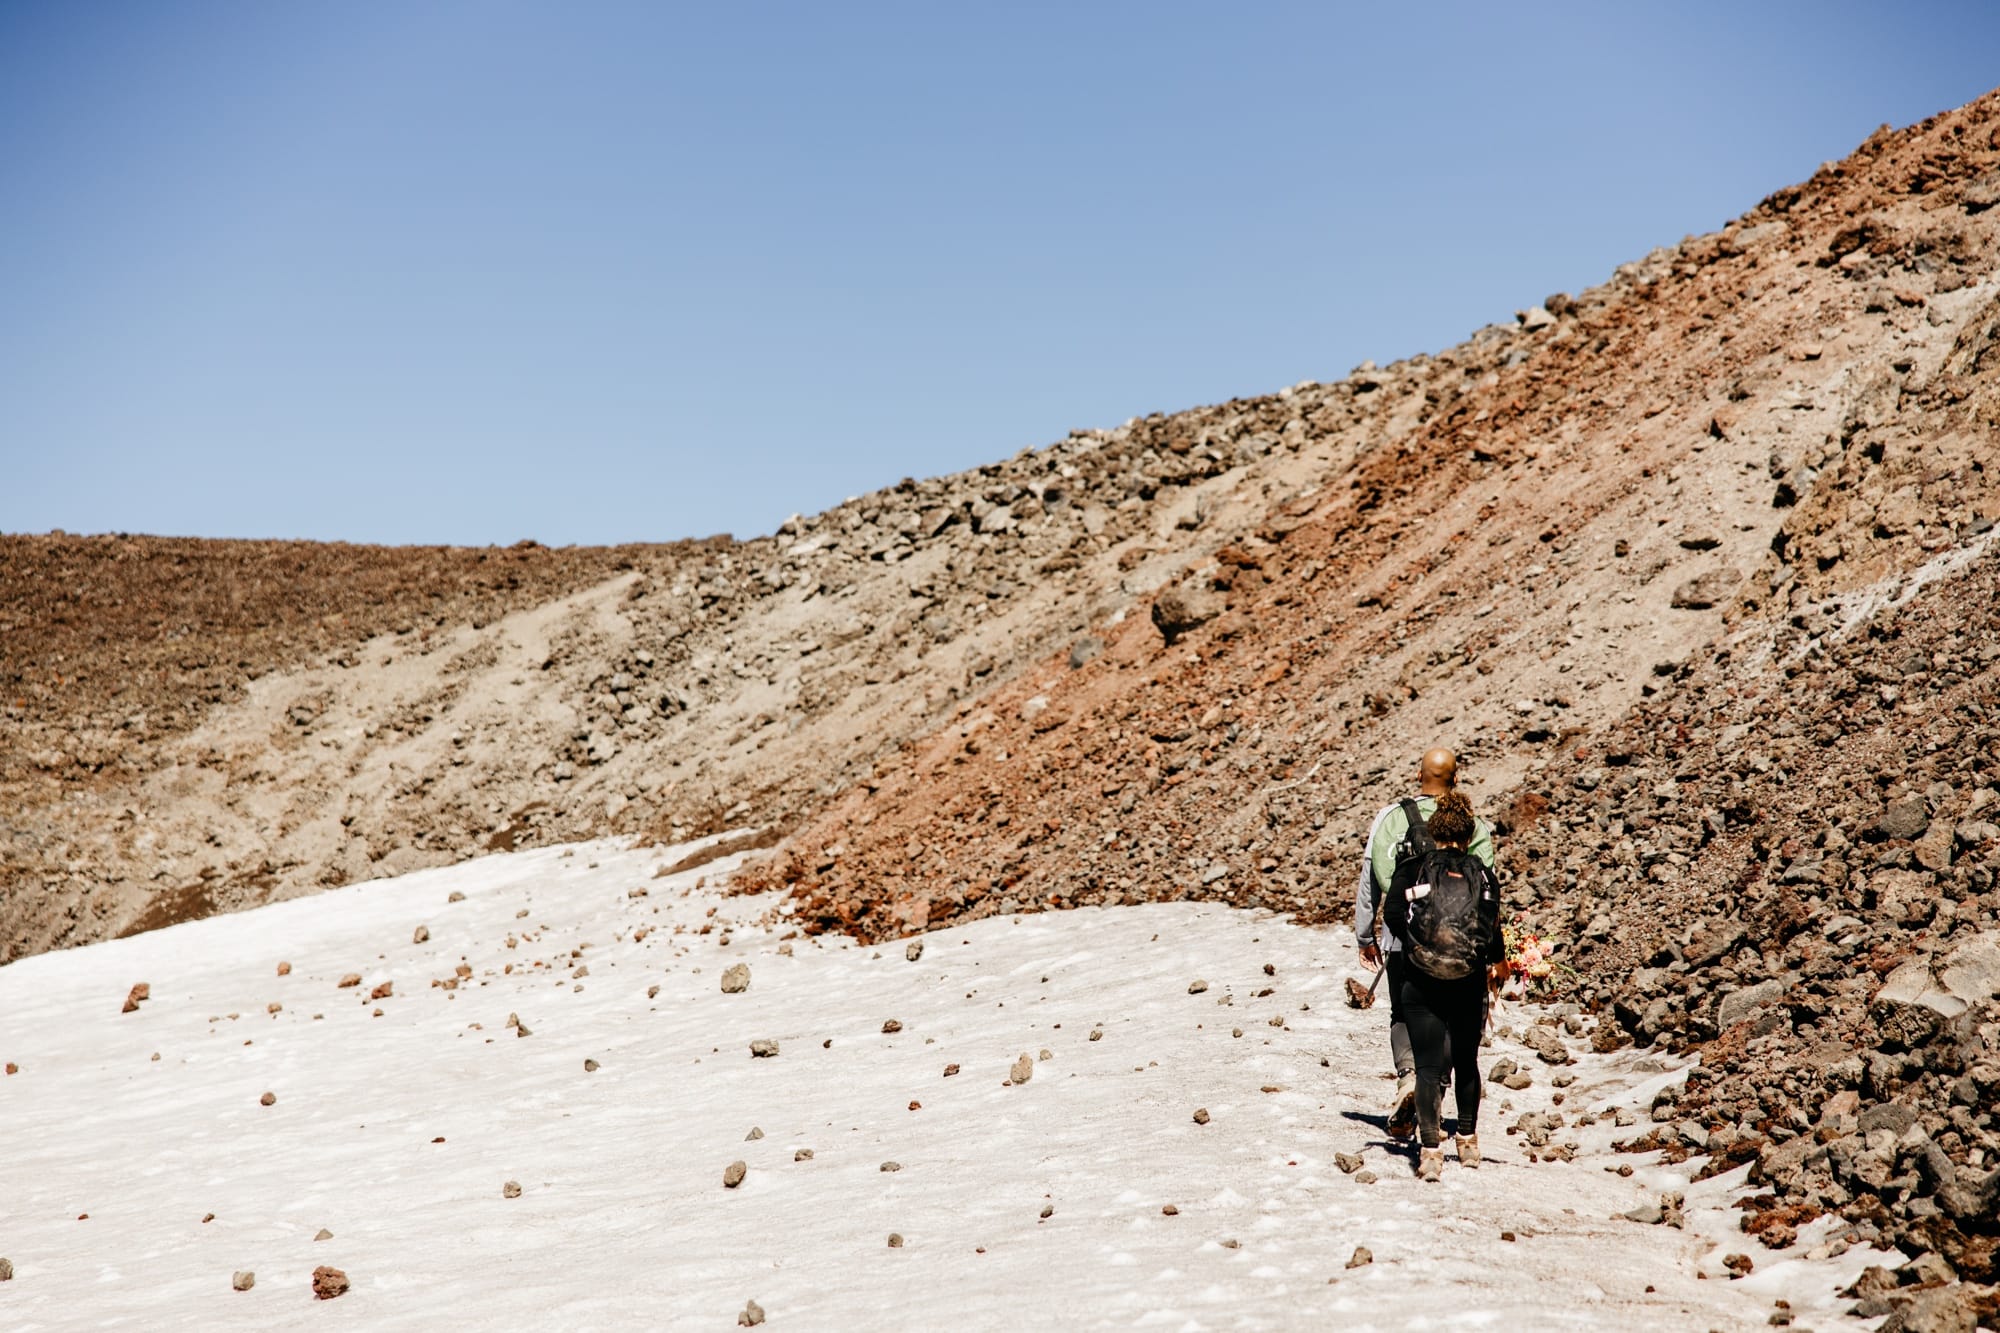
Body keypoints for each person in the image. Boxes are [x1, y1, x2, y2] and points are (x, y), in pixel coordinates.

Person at [1354, 748, 1494, 1138]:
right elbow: (1487, 889)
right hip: (1459, 946)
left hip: (1403, 938)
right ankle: (1435, 1090)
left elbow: (1370, 877)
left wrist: (1365, 934)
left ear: (1419, 776)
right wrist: (1495, 948)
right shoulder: (1473, 824)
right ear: (1457, 777)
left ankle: (1408, 1079)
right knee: (1451, 1022)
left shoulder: (1390, 817)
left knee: (1403, 1013)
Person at [1384, 789, 1504, 1181]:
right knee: (1466, 1064)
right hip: (1467, 983)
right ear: (1469, 838)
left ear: (1433, 834)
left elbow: (1393, 913)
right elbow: (1492, 927)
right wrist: (1496, 964)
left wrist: (1419, 942)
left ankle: (1431, 1153)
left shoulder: (1411, 868)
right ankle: (1467, 1142)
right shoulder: (1482, 873)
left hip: (1420, 981)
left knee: (1427, 1068)